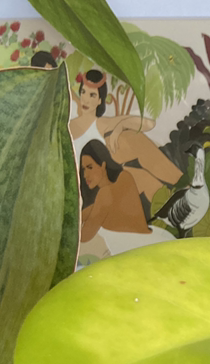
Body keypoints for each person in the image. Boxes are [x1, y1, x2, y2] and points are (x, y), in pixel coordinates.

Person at [69, 69, 184, 203]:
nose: (86, 100)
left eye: (92, 95)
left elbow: (149, 124)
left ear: (100, 100)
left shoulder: (102, 123)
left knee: (138, 162)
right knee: (136, 164)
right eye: (83, 92)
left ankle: (181, 192)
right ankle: (182, 191)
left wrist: (120, 127)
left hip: (103, 176)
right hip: (83, 179)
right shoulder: (70, 125)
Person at [79, 140, 174, 256]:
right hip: (154, 240)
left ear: (103, 165)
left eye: (90, 167)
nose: (85, 175)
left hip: (140, 251)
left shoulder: (105, 195)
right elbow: (93, 210)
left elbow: (84, 236)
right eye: (83, 169)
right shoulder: (124, 177)